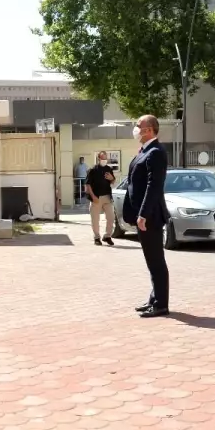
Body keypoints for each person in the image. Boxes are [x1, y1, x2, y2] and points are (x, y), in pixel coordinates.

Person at [123, 115, 170, 318]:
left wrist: (143, 214)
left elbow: (154, 186)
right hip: (143, 215)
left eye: (138, 126)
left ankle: (161, 304)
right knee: (151, 261)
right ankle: (154, 298)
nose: (135, 129)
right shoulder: (145, 151)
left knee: (156, 261)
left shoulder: (156, 152)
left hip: (150, 216)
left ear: (149, 130)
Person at [84, 151, 116, 246]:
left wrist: (112, 178)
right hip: (96, 198)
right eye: (103, 158)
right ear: (98, 159)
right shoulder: (93, 170)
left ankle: (107, 236)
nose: (104, 160)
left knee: (111, 217)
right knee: (95, 219)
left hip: (107, 197)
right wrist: (93, 197)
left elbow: (113, 182)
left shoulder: (109, 169)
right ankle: (97, 237)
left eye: (106, 158)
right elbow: (88, 185)